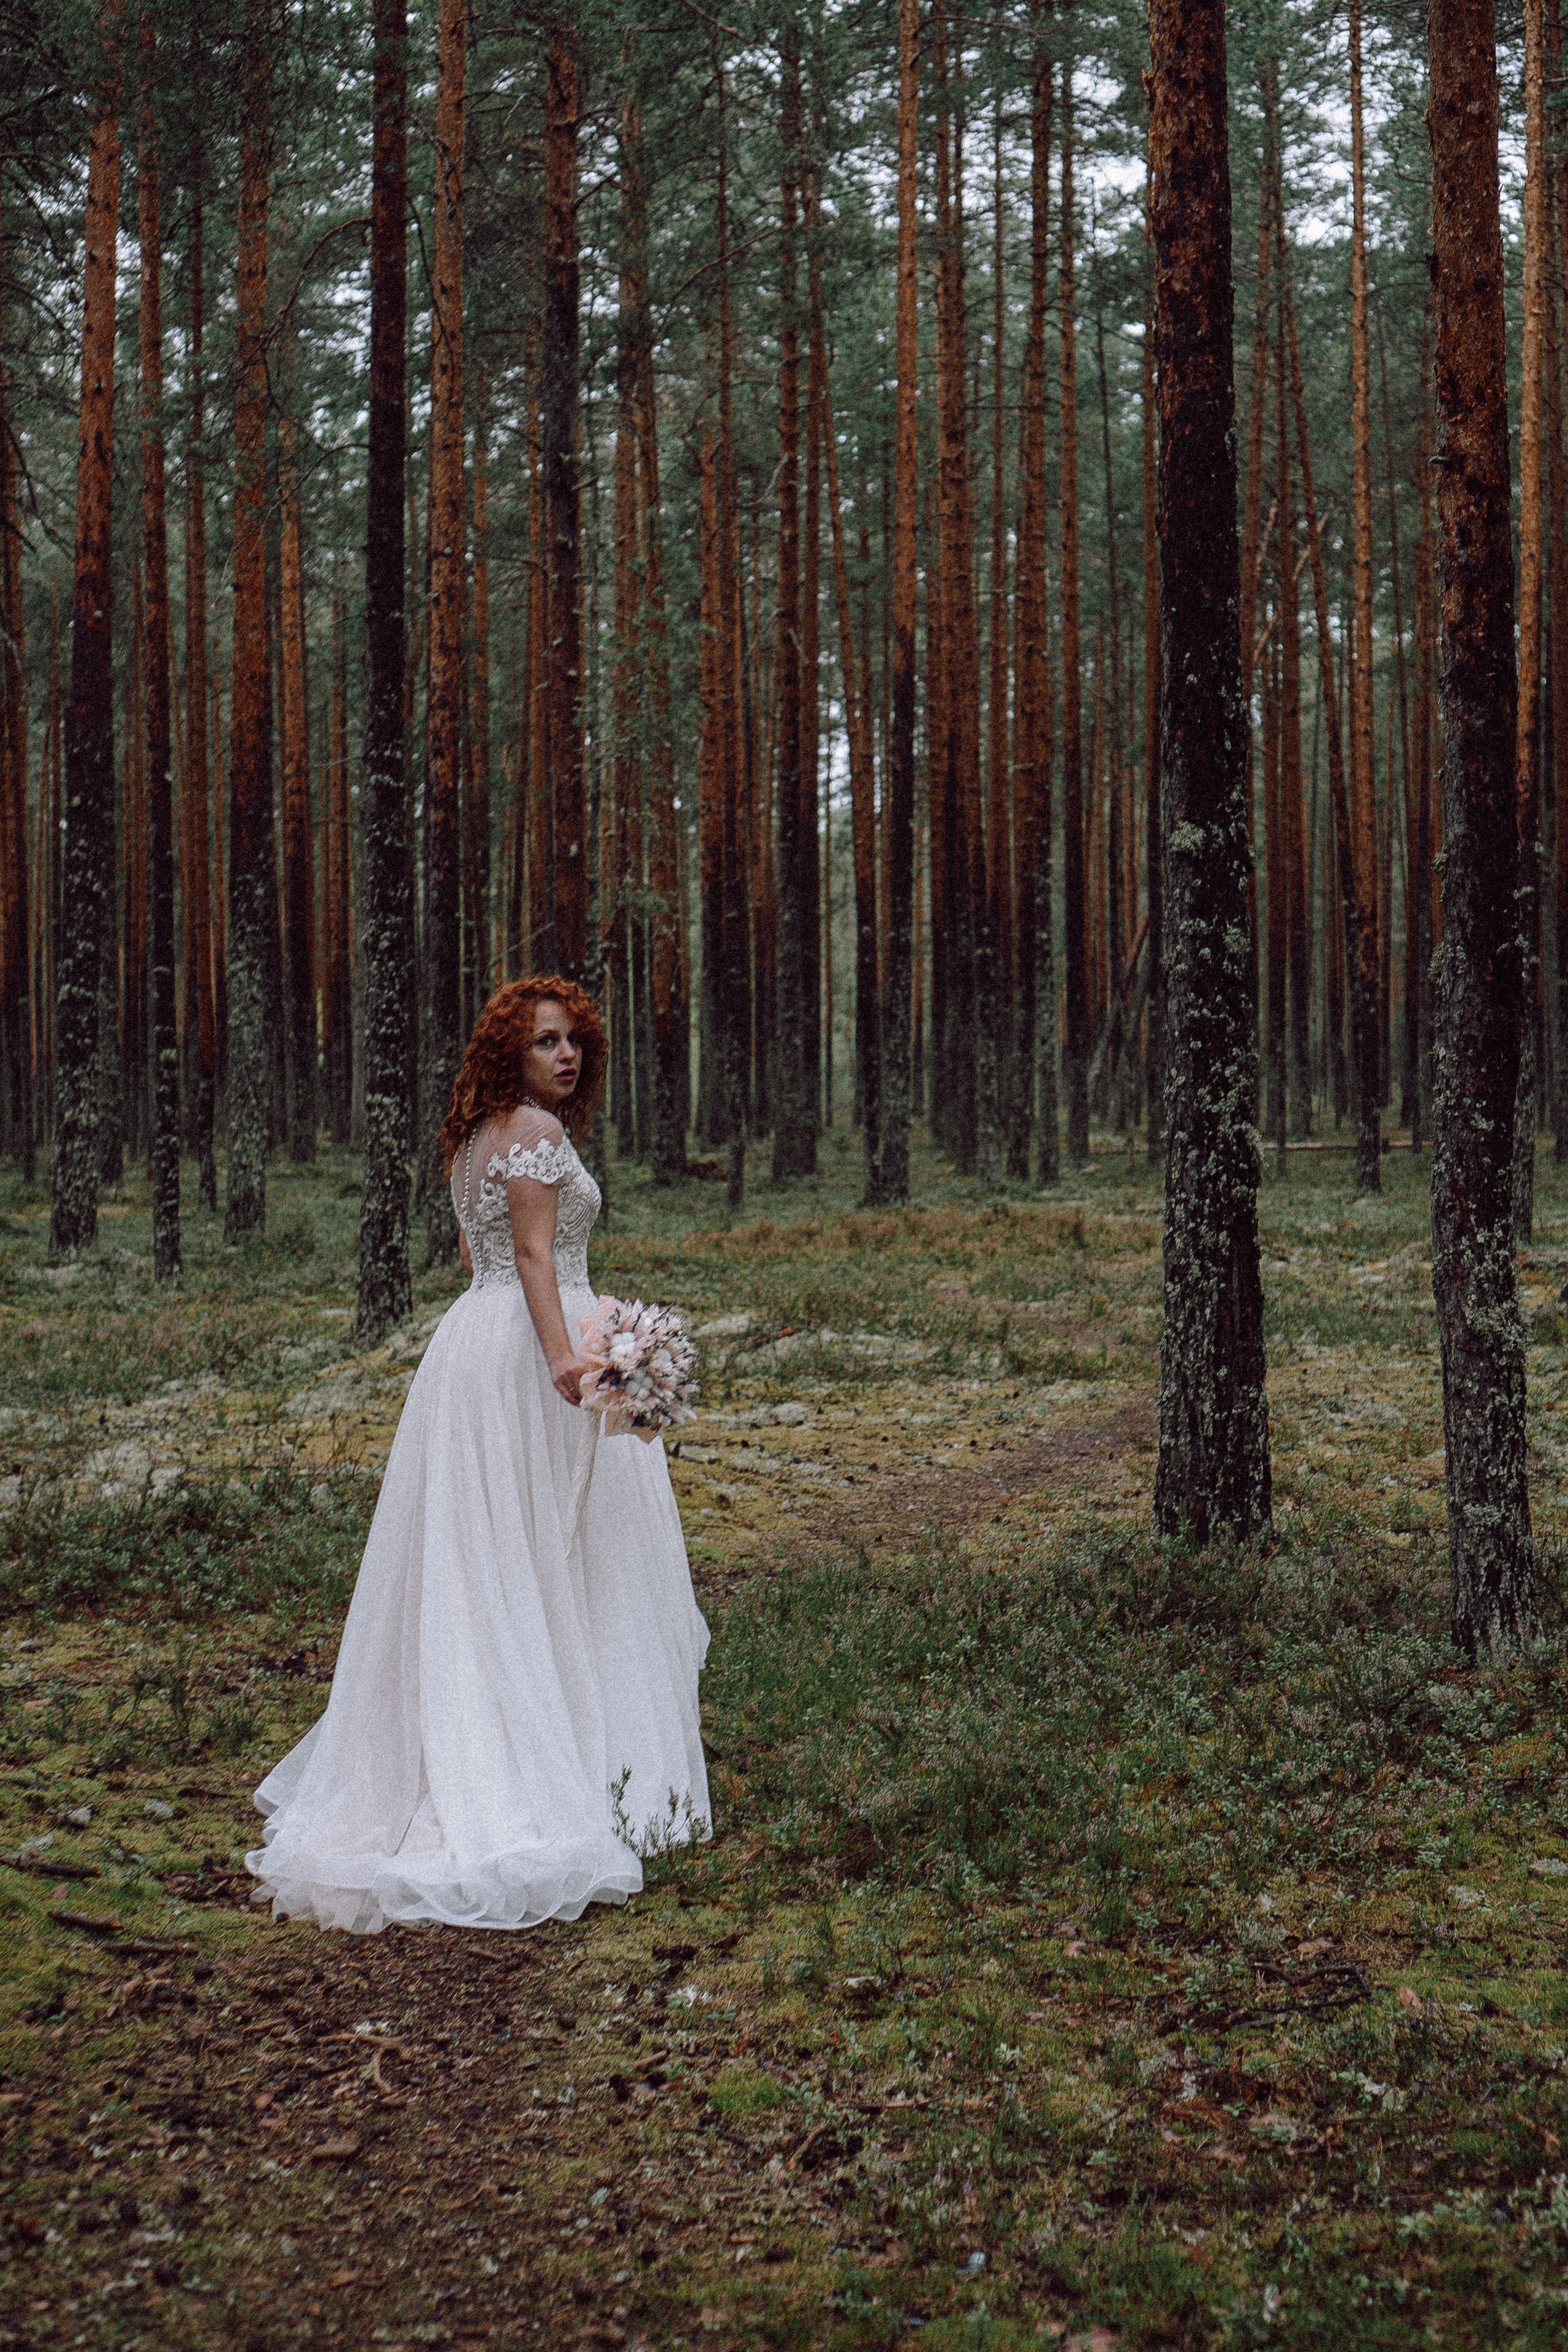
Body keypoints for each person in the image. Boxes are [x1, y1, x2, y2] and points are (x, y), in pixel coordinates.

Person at [247, 976, 710, 1932]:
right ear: (511, 1051)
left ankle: (516, 1738)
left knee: (494, 1557)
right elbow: (537, 1259)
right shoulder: (537, 1137)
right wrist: (568, 1360)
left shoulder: (473, 1141)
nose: (567, 1055)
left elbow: (478, 1260)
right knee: (548, 1553)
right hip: (530, 1352)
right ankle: (564, 1767)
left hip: (471, 1349)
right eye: (546, 1041)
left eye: (575, 1039)